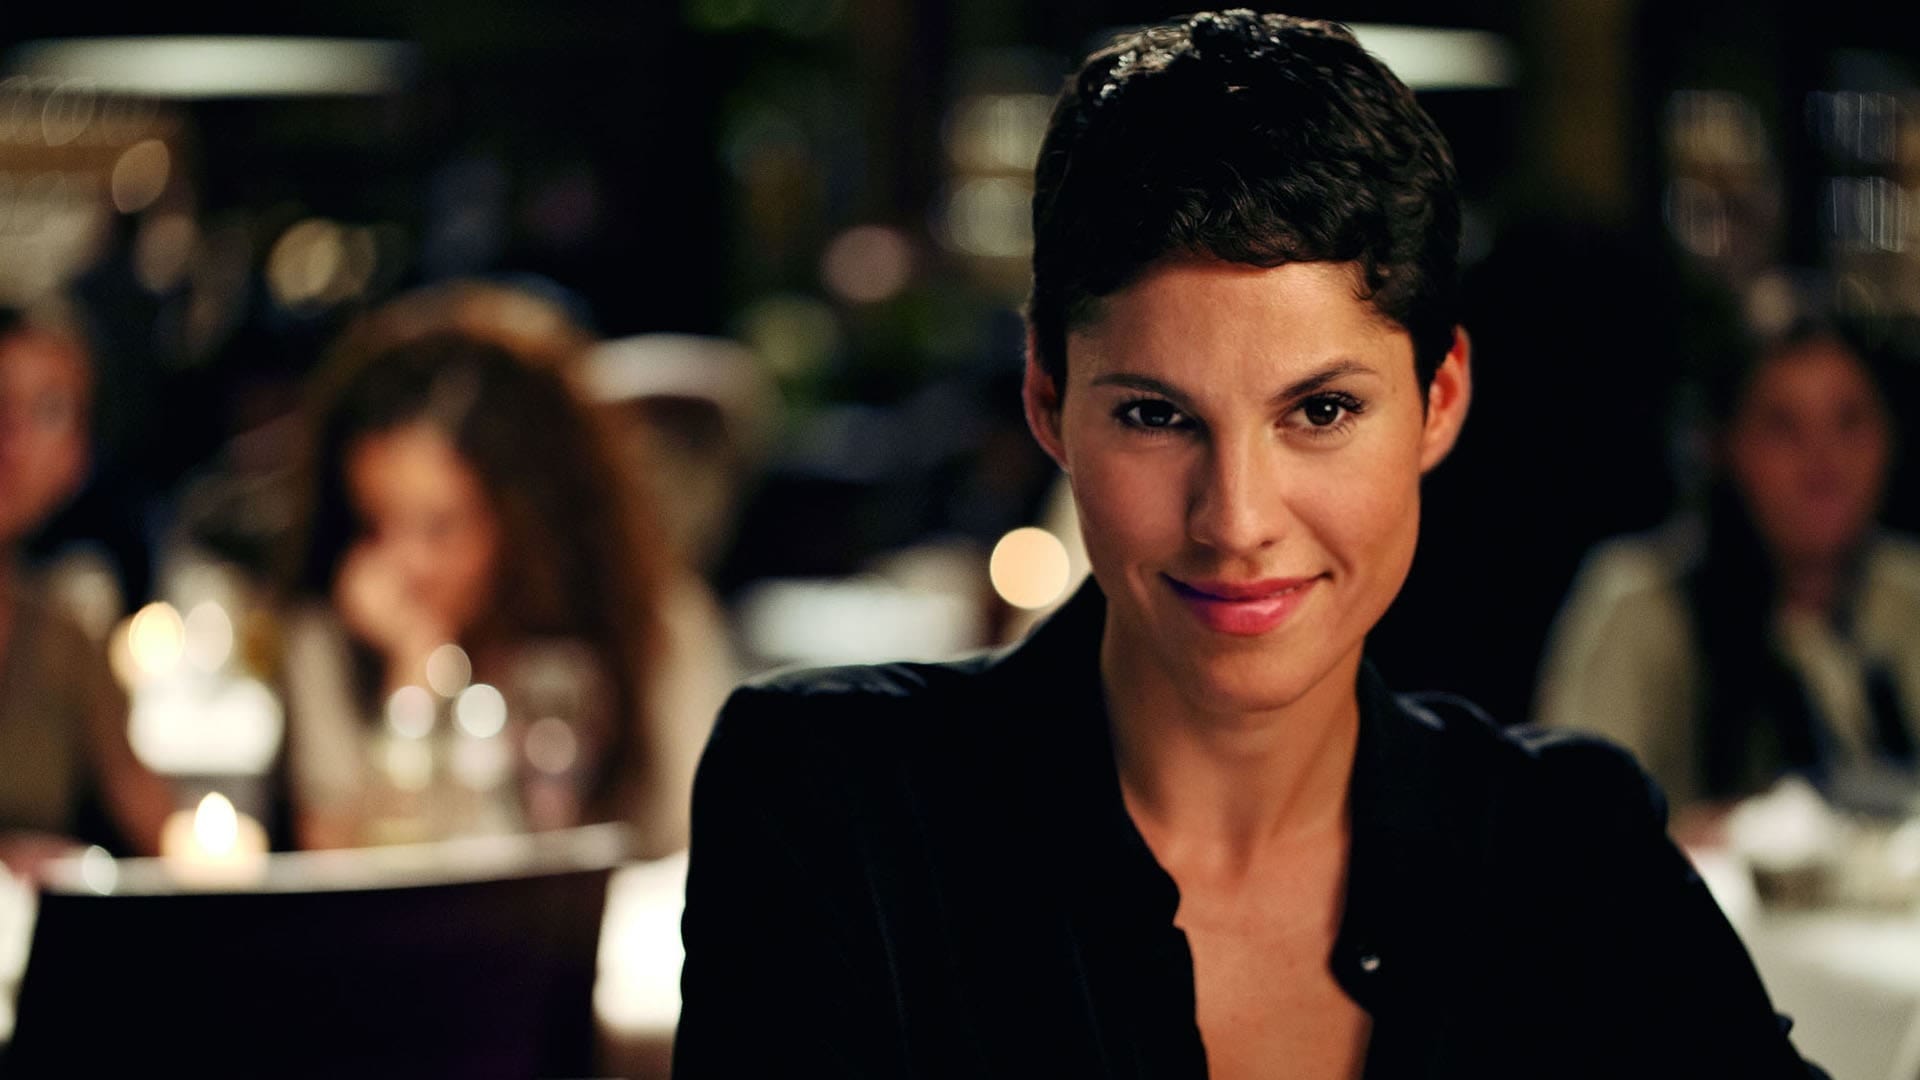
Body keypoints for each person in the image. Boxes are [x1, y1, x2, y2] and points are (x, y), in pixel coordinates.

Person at [675, 12, 1824, 1079]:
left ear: (1439, 401)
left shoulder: (1571, 850)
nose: (1235, 520)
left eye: (1320, 411)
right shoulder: (837, 811)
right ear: (1047, 401)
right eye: (1155, 414)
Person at [281, 282, 734, 857]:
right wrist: (415, 682)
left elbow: (710, 837)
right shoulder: (331, 636)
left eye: (439, 527)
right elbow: (341, 868)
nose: (403, 563)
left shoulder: (649, 619)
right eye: (373, 524)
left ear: (526, 519)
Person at [1538, 319, 1918, 826]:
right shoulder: (1641, 603)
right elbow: (1570, 822)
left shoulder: (1907, 593)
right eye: (1783, 427)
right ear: (1723, 445)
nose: (1824, 461)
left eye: (1849, 422)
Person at [0, 304, 171, 876]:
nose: (11, 436)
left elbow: (154, 822)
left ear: (76, 460)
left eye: (48, 411)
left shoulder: (64, 637)